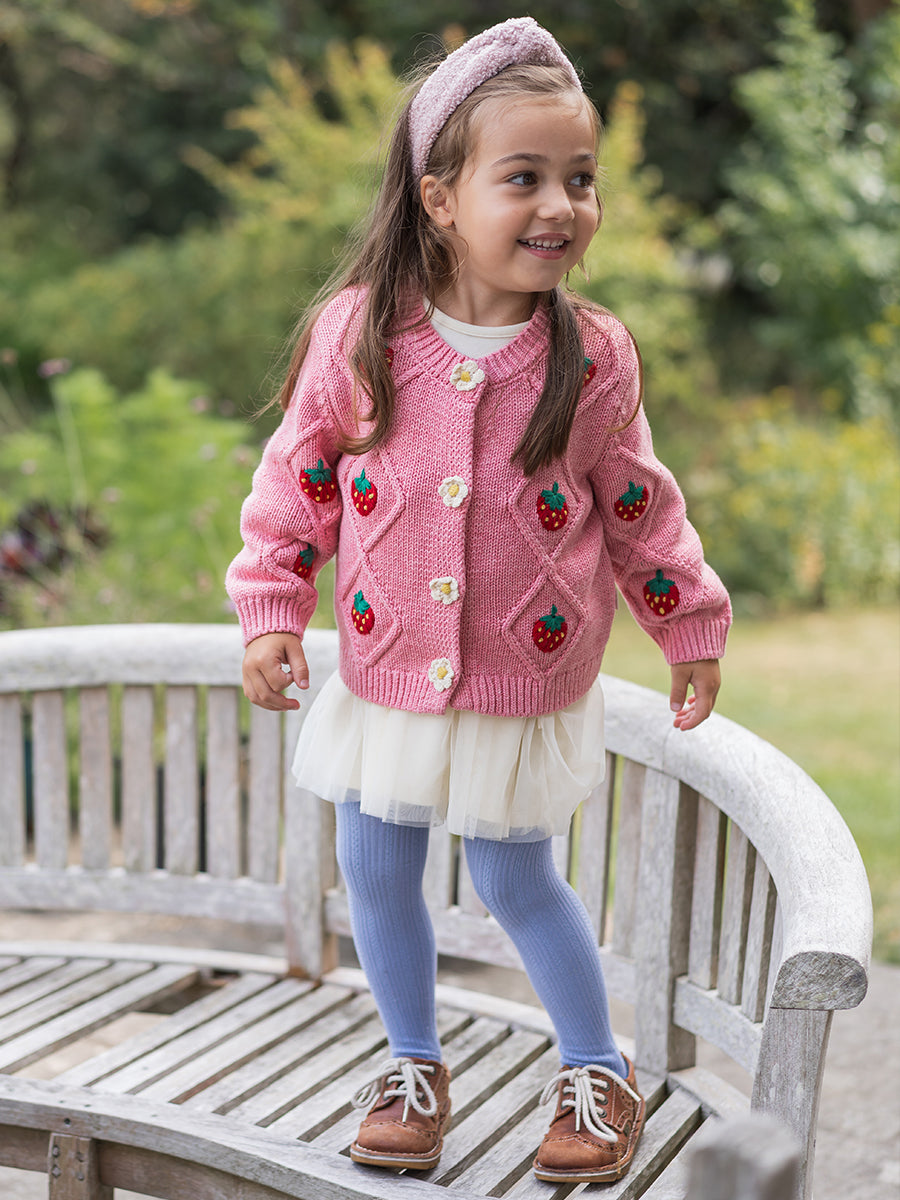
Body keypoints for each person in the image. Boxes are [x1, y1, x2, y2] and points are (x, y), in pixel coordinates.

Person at [226, 16, 731, 1185]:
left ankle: (596, 1073)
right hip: (386, 668)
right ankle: (412, 1065)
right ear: (441, 198)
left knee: (513, 876)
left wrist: (688, 621)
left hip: (521, 673)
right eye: (526, 179)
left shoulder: (589, 356)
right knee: (375, 865)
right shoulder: (360, 334)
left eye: (580, 180)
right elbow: (296, 484)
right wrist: (271, 604)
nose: (561, 206)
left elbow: (639, 506)